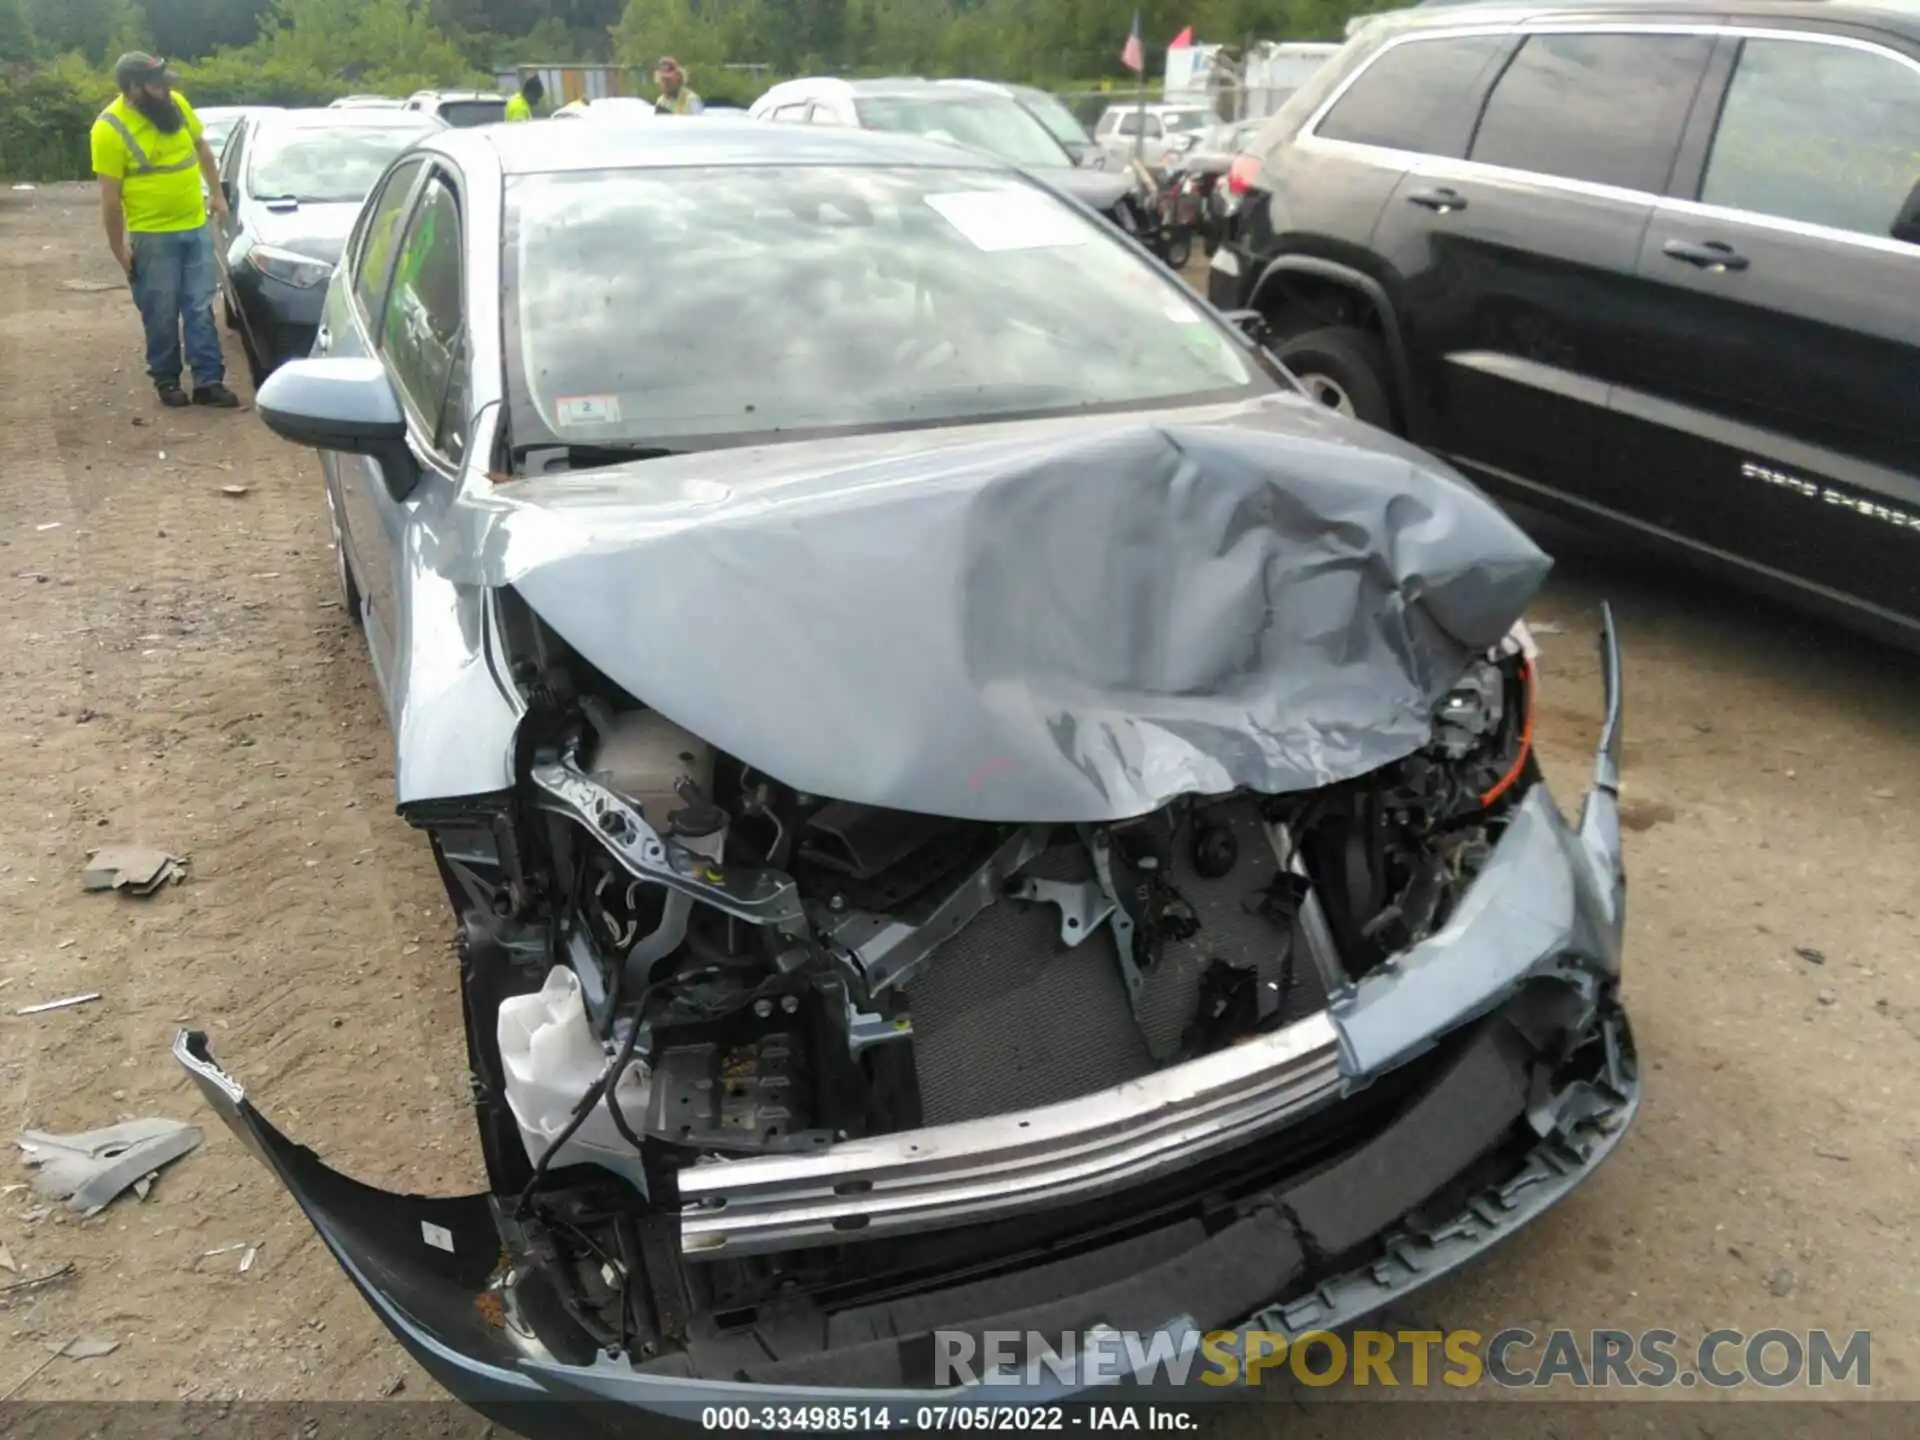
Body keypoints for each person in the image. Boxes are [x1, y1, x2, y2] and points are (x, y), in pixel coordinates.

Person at [91, 53, 239, 409]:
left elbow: (202, 150)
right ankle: (167, 380)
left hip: (194, 227)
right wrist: (119, 250)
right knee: (160, 309)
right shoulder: (109, 129)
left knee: (200, 306)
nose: (166, 90)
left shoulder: (177, 106)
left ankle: (208, 381)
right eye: (157, 84)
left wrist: (217, 194)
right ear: (133, 88)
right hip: (152, 237)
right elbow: (110, 202)